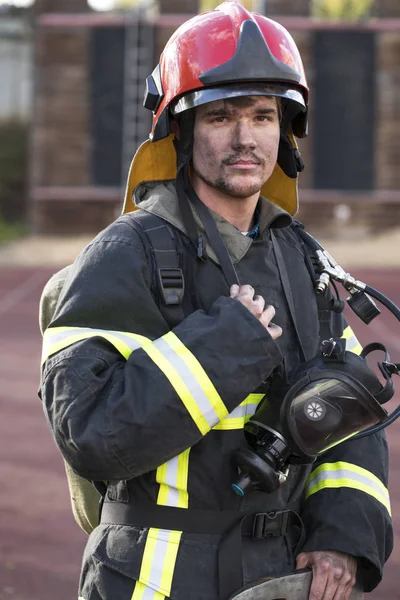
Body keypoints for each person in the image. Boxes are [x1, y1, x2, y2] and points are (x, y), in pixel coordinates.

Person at [39, 3, 392, 600]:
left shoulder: (305, 261)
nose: (245, 137)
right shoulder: (125, 255)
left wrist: (343, 534)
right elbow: (91, 434)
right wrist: (225, 348)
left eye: (262, 115)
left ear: (285, 132)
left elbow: (347, 415)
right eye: (220, 116)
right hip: (150, 577)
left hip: (280, 574)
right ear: (180, 131)